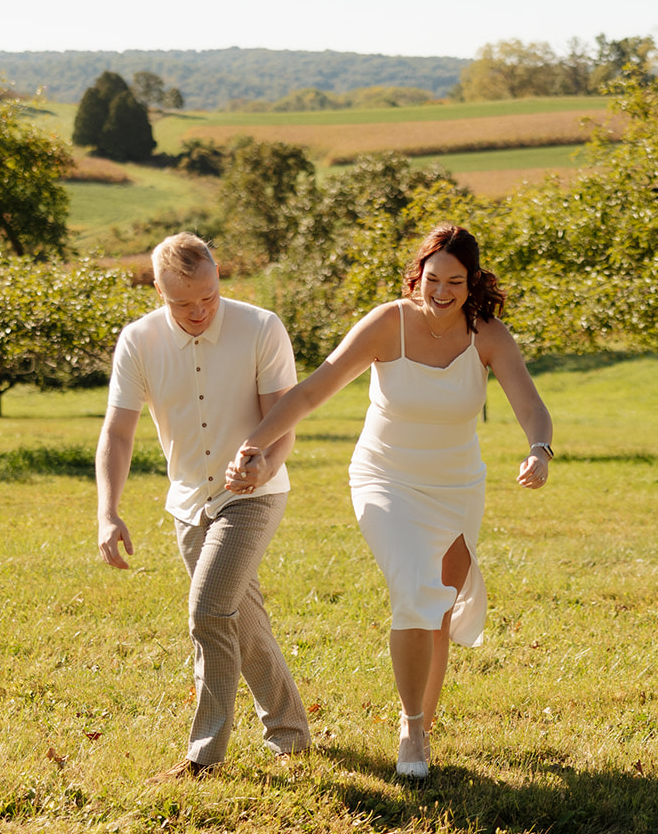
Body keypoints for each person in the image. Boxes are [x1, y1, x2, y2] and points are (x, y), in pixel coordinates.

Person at [227, 223, 552, 779]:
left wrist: (539, 449)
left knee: (440, 609)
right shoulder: (387, 323)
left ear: (472, 282)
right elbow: (312, 389)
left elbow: (531, 405)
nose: (442, 291)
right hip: (385, 479)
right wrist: (255, 445)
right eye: (432, 278)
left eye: (455, 281)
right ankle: (409, 725)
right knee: (415, 591)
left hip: (456, 486)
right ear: (417, 276)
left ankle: (423, 724)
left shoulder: (489, 336)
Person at [96, 232, 310, 781]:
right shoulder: (138, 340)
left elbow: (281, 418)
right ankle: (291, 736)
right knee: (242, 620)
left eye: (208, 297)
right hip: (189, 502)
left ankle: (204, 755)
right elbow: (119, 432)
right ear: (158, 291)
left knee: (209, 610)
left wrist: (262, 460)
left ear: (219, 278)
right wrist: (108, 509)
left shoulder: (261, 327)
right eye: (182, 302)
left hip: (252, 495)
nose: (198, 311)